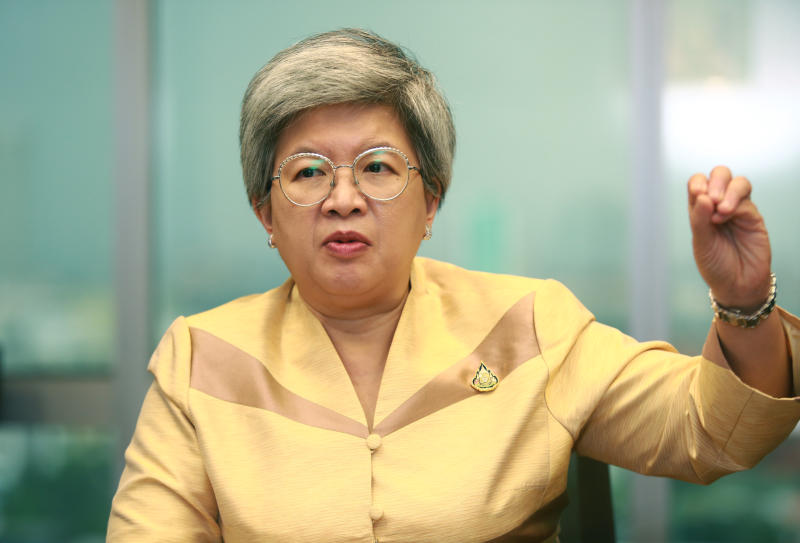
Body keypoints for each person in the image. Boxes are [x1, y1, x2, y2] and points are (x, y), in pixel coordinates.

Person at [107, 28, 800, 542]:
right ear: (266, 212)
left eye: (377, 167)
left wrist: (744, 302)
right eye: (308, 171)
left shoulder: (530, 325)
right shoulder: (201, 359)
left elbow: (711, 431)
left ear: (431, 201)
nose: (343, 199)